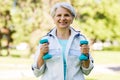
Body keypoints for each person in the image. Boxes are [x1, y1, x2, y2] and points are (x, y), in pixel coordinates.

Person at [32, 2, 94, 80]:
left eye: (66, 15)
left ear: (72, 19)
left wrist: (86, 56)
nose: (62, 18)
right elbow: (37, 73)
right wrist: (41, 54)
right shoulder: (45, 41)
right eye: (59, 15)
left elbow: (87, 71)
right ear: (54, 19)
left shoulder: (81, 40)